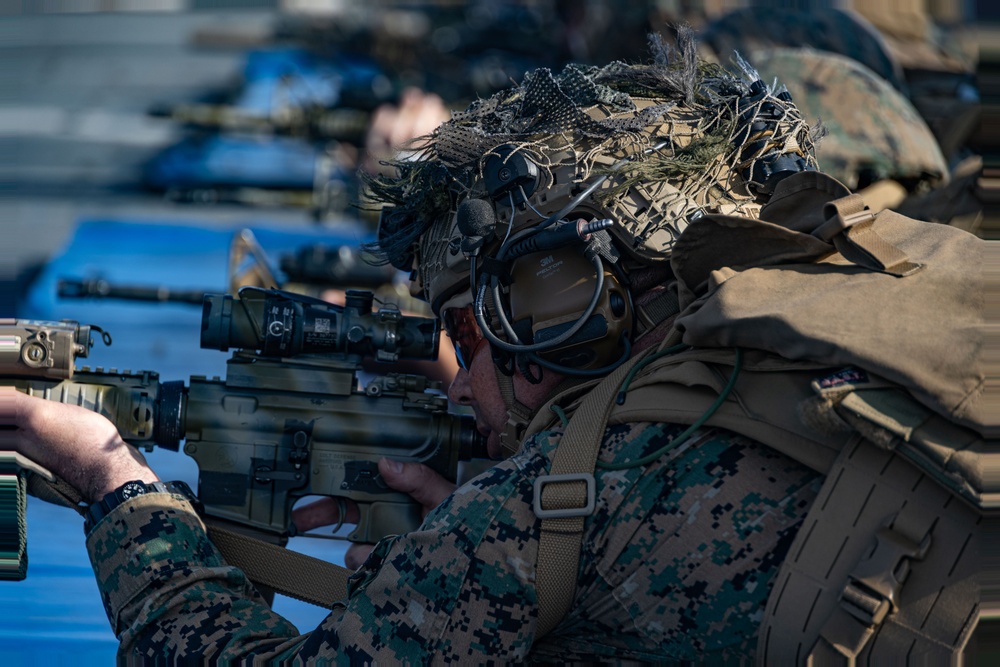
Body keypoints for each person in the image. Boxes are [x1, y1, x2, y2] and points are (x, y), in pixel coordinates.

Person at [4, 33, 834, 662]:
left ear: (560, 307)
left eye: (467, 333)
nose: (463, 385)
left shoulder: (546, 509)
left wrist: (115, 486)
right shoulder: (817, 352)